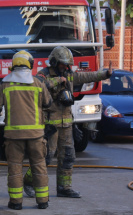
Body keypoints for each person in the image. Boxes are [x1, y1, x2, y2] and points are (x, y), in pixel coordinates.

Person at [23, 46, 112, 198]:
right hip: (50, 125)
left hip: (66, 124)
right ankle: (29, 182)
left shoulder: (69, 74)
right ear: (54, 62)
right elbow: (38, 86)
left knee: (68, 156)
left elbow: (86, 76)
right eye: (63, 64)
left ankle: (64, 188)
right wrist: (58, 80)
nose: (65, 67)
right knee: (46, 156)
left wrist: (105, 74)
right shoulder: (43, 74)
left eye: (67, 64)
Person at [0, 50, 52, 210]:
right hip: (36, 135)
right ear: (30, 65)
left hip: (13, 135)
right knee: (39, 166)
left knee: (15, 168)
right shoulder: (38, 83)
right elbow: (48, 104)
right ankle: (43, 201)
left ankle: (16, 203)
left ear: (13, 66)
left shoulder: (4, 84)